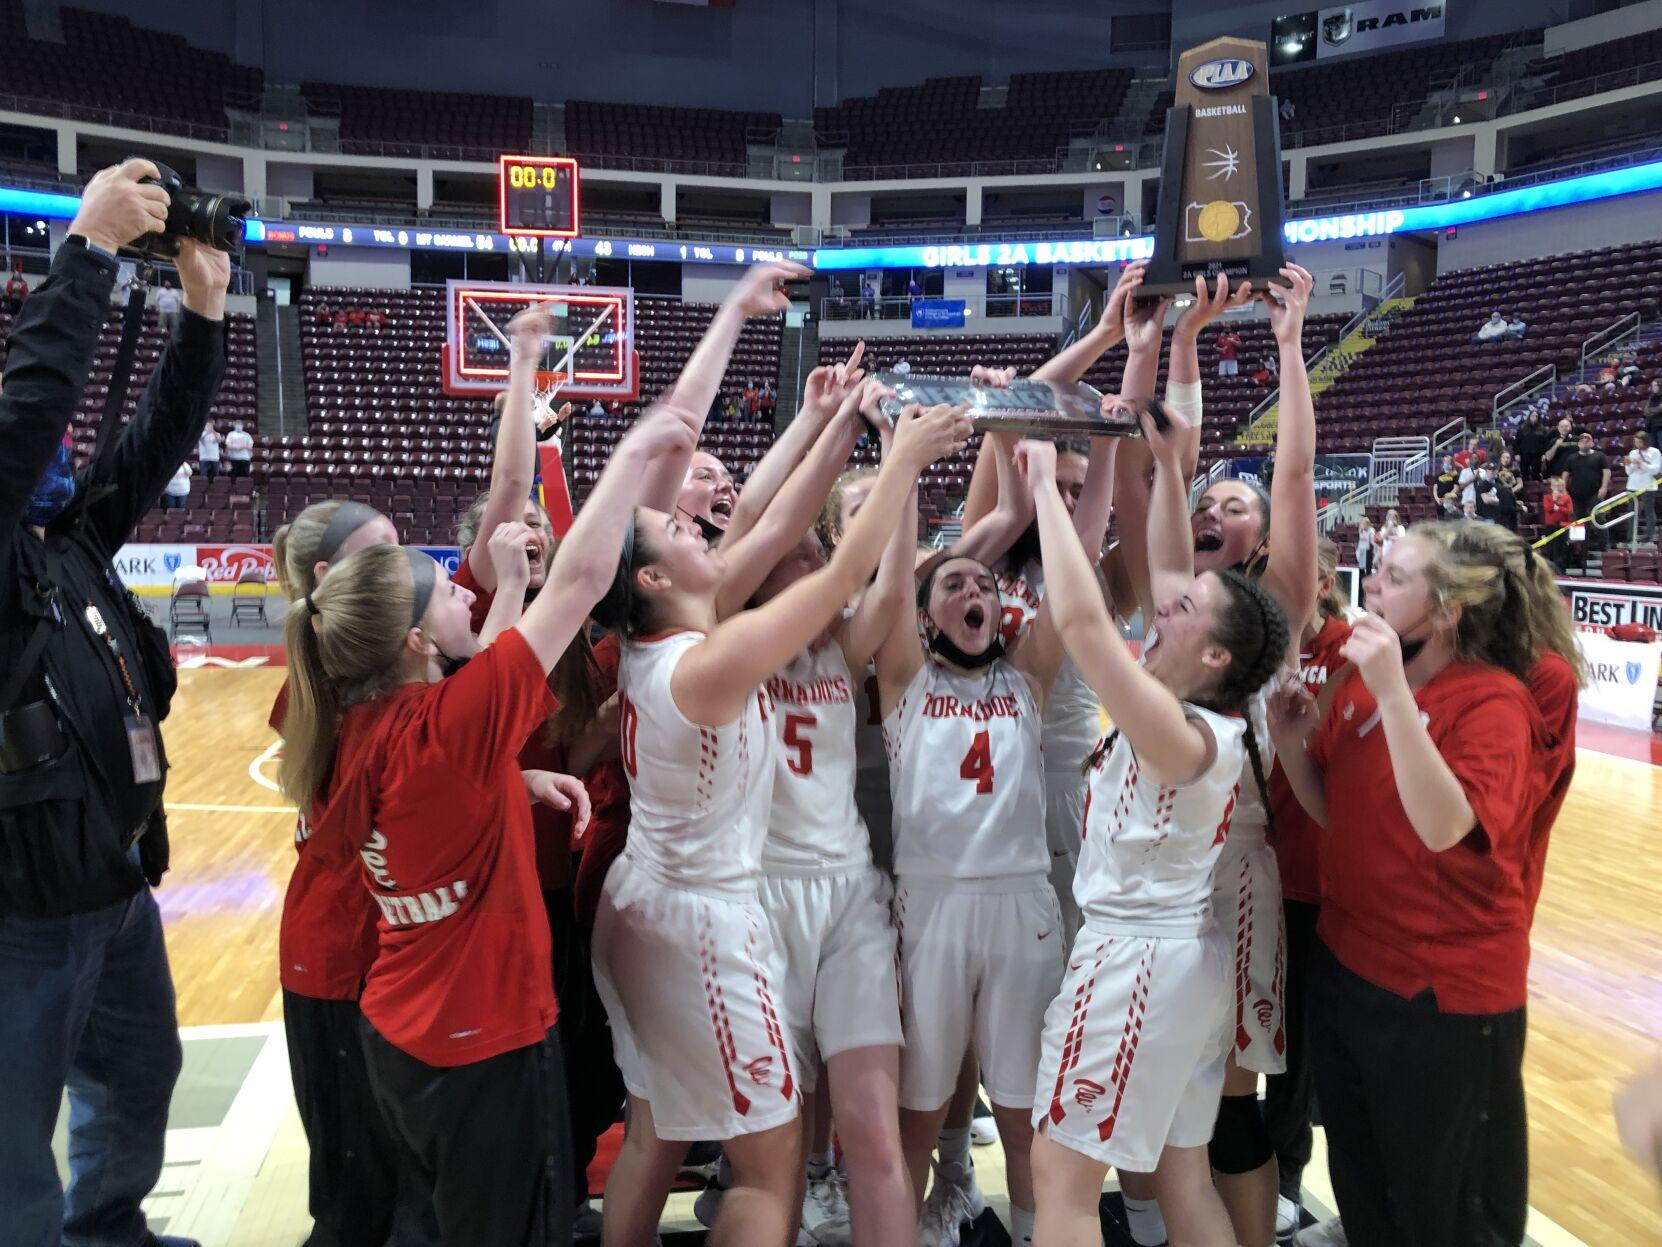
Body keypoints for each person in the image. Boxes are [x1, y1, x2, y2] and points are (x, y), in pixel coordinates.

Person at [282, 404, 693, 1246]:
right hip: (482, 1040)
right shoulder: (445, 732)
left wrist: (517, 780)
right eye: (444, 590)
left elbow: (472, 736)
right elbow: (577, 583)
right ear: (412, 642)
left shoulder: (364, 727)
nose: (460, 590)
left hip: (406, 1025)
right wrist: (639, 449)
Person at [586, 401, 970, 1247]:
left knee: (694, 1129)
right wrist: (897, 465)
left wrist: (833, 424)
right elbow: (811, 558)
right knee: (766, 1158)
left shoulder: (702, 635)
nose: (704, 531)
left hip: (747, 893)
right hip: (723, 907)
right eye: (680, 531)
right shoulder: (719, 647)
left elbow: (792, 529)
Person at [0, 158, 226, 1247]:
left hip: (115, 883)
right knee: (9, 1151)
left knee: (139, 1078)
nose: (50, 451)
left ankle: (112, 1229)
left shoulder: (68, 538)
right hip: (19, 910)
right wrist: (84, 252)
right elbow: (32, 400)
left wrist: (204, 309)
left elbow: (154, 443)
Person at [1024, 410, 1291, 1247]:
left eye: (1185, 608)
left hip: (1136, 963)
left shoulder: (1186, 732)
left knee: (1060, 1182)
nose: (1164, 604)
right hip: (1180, 961)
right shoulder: (1198, 718)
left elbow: (1079, 622)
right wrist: (1163, 461)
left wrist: (1042, 485)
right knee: (1182, 1174)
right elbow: (1146, 566)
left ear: (1216, 656)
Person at [1268, 520, 1552, 1247]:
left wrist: (1395, 693)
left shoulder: (1493, 703)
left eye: (1395, 575)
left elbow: (1444, 827)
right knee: (1366, 1187)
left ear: (1449, 609)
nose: (1375, 586)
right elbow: (1333, 809)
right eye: (1379, 569)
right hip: (1348, 967)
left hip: (1441, 996)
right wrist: (1293, 739)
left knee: (1445, 1211)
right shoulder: (1362, 685)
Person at [269, 500, 430, 1247]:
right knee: (353, 1193)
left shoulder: (340, 681)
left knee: (378, 1176)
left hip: (343, 953)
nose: (402, 570)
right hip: (338, 962)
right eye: (384, 555)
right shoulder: (361, 697)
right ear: (334, 579)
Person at [1259, 539, 1353, 1233]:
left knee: (1302, 1044)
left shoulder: (1356, 653)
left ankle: (1289, 1171)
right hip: (1254, 870)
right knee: (1255, 1033)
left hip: (1323, 880)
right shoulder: (1249, 643)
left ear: (1323, 580)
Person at [1564, 432, 1611, 551]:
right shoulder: (1572, 458)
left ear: (1591, 443)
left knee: (1599, 518)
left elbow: (1606, 472)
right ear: (1579, 444)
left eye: (1587, 441)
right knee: (1578, 522)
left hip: (1595, 493)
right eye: (1582, 442)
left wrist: (1604, 487)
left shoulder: (1599, 456)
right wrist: (1563, 489)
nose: (1585, 444)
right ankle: (1579, 549)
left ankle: (1605, 546)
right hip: (1577, 495)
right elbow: (1565, 474)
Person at [1624, 431, 1660, 546]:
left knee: (1649, 510)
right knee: (1631, 511)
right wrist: (1628, 464)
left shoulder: (1654, 452)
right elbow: (1629, 472)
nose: (1638, 444)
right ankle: (1630, 536)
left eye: (1640, 442)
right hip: (1632, 485)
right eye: (1636, 442)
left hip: (1648, 485)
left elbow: (1656, 469)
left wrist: (1642, 464)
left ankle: (1649, 535)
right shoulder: (1633, 452)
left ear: (1646, 441)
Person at [1541, 475, 1575, 571]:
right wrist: (1554, 500)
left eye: (1560, 486)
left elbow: (1570, 510)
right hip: (1550, 525)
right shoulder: (1547, 497)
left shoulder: (1567, 497)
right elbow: (1547, 508)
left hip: (1563, 525)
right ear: (1551, 487)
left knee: (1561, 548)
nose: (1558, 488)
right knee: (1551, 547)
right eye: (1555, 486)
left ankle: (1561, 569)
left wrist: (1559, 508)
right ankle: (1550, 568)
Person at [1513, 409, 1550, 482]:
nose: (1534, 417)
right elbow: (1517, 442)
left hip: (1537, 455)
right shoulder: (1522, 428)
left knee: (1536, 473)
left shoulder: (1542, 429)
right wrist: (1517, 453)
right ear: (1529, 416)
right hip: (1524, 454)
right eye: (1533, 415)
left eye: (1536, 416)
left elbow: (1545, 443)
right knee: (1524, 473)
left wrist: (1544, 454)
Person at [1543, 416, 1576, 480]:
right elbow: (1548, 457)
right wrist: (1556, 445)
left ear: (1570, 428)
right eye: (1561, 426)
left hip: (1574, 473)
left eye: (1566, 426)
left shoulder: (1577, 439)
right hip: (1558, 474)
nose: (1564, 428)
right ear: (1558, 428)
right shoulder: (1553, 441)